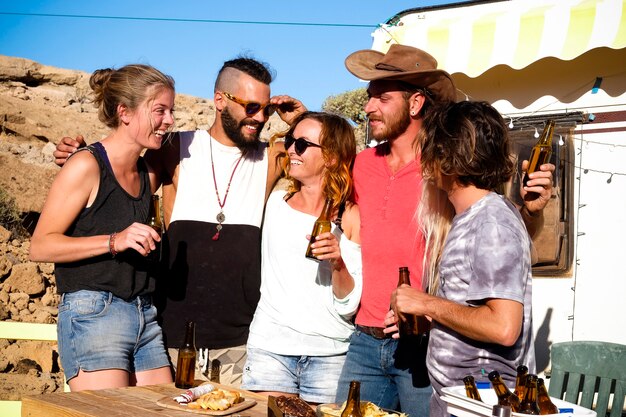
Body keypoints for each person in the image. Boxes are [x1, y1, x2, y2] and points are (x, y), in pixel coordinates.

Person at [52, 57, 306, 386]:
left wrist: (302, 121)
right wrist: (81, 155)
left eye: (266, 110)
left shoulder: (273, 158)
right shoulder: (174, 149)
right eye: (251, 106)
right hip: (169, 337)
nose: (260, 118)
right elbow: (120, 181)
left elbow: (326, 165)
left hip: (242, 343)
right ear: (220, 100)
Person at [335, 44, 554, 416]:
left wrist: (529, 214)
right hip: (368, 339)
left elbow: (498, 245)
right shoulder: (360, 165)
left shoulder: (445, 169)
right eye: (369, 97)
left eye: (381, 98)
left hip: (431, 347)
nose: (368, 107)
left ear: (416, 102)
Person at [29, 64, 176, 391]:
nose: (170, 121)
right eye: (160, 111)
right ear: (124, 112)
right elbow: (40, 246)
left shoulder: (147, 171)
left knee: (168, 412)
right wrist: (115, 241)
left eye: (171, 111)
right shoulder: (86, 165)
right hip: (94, 312)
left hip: (145, 315)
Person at [386, 100, 537, 417]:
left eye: (429, 150)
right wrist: (431, 318)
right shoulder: (471, 218)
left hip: (482, 406)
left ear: (445, 157)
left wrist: (425, 303)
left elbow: (503, 326)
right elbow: (475, 311)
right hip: (459, 400)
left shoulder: (491, 222)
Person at [241, 111, 362, 404]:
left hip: (329, 355)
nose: (292, 150)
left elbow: (349, 304)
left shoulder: (349, 216)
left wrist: (337, 262)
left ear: (331, 157)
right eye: (291, 141)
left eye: (303, 145)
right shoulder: (274, 202)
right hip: (270, 349)